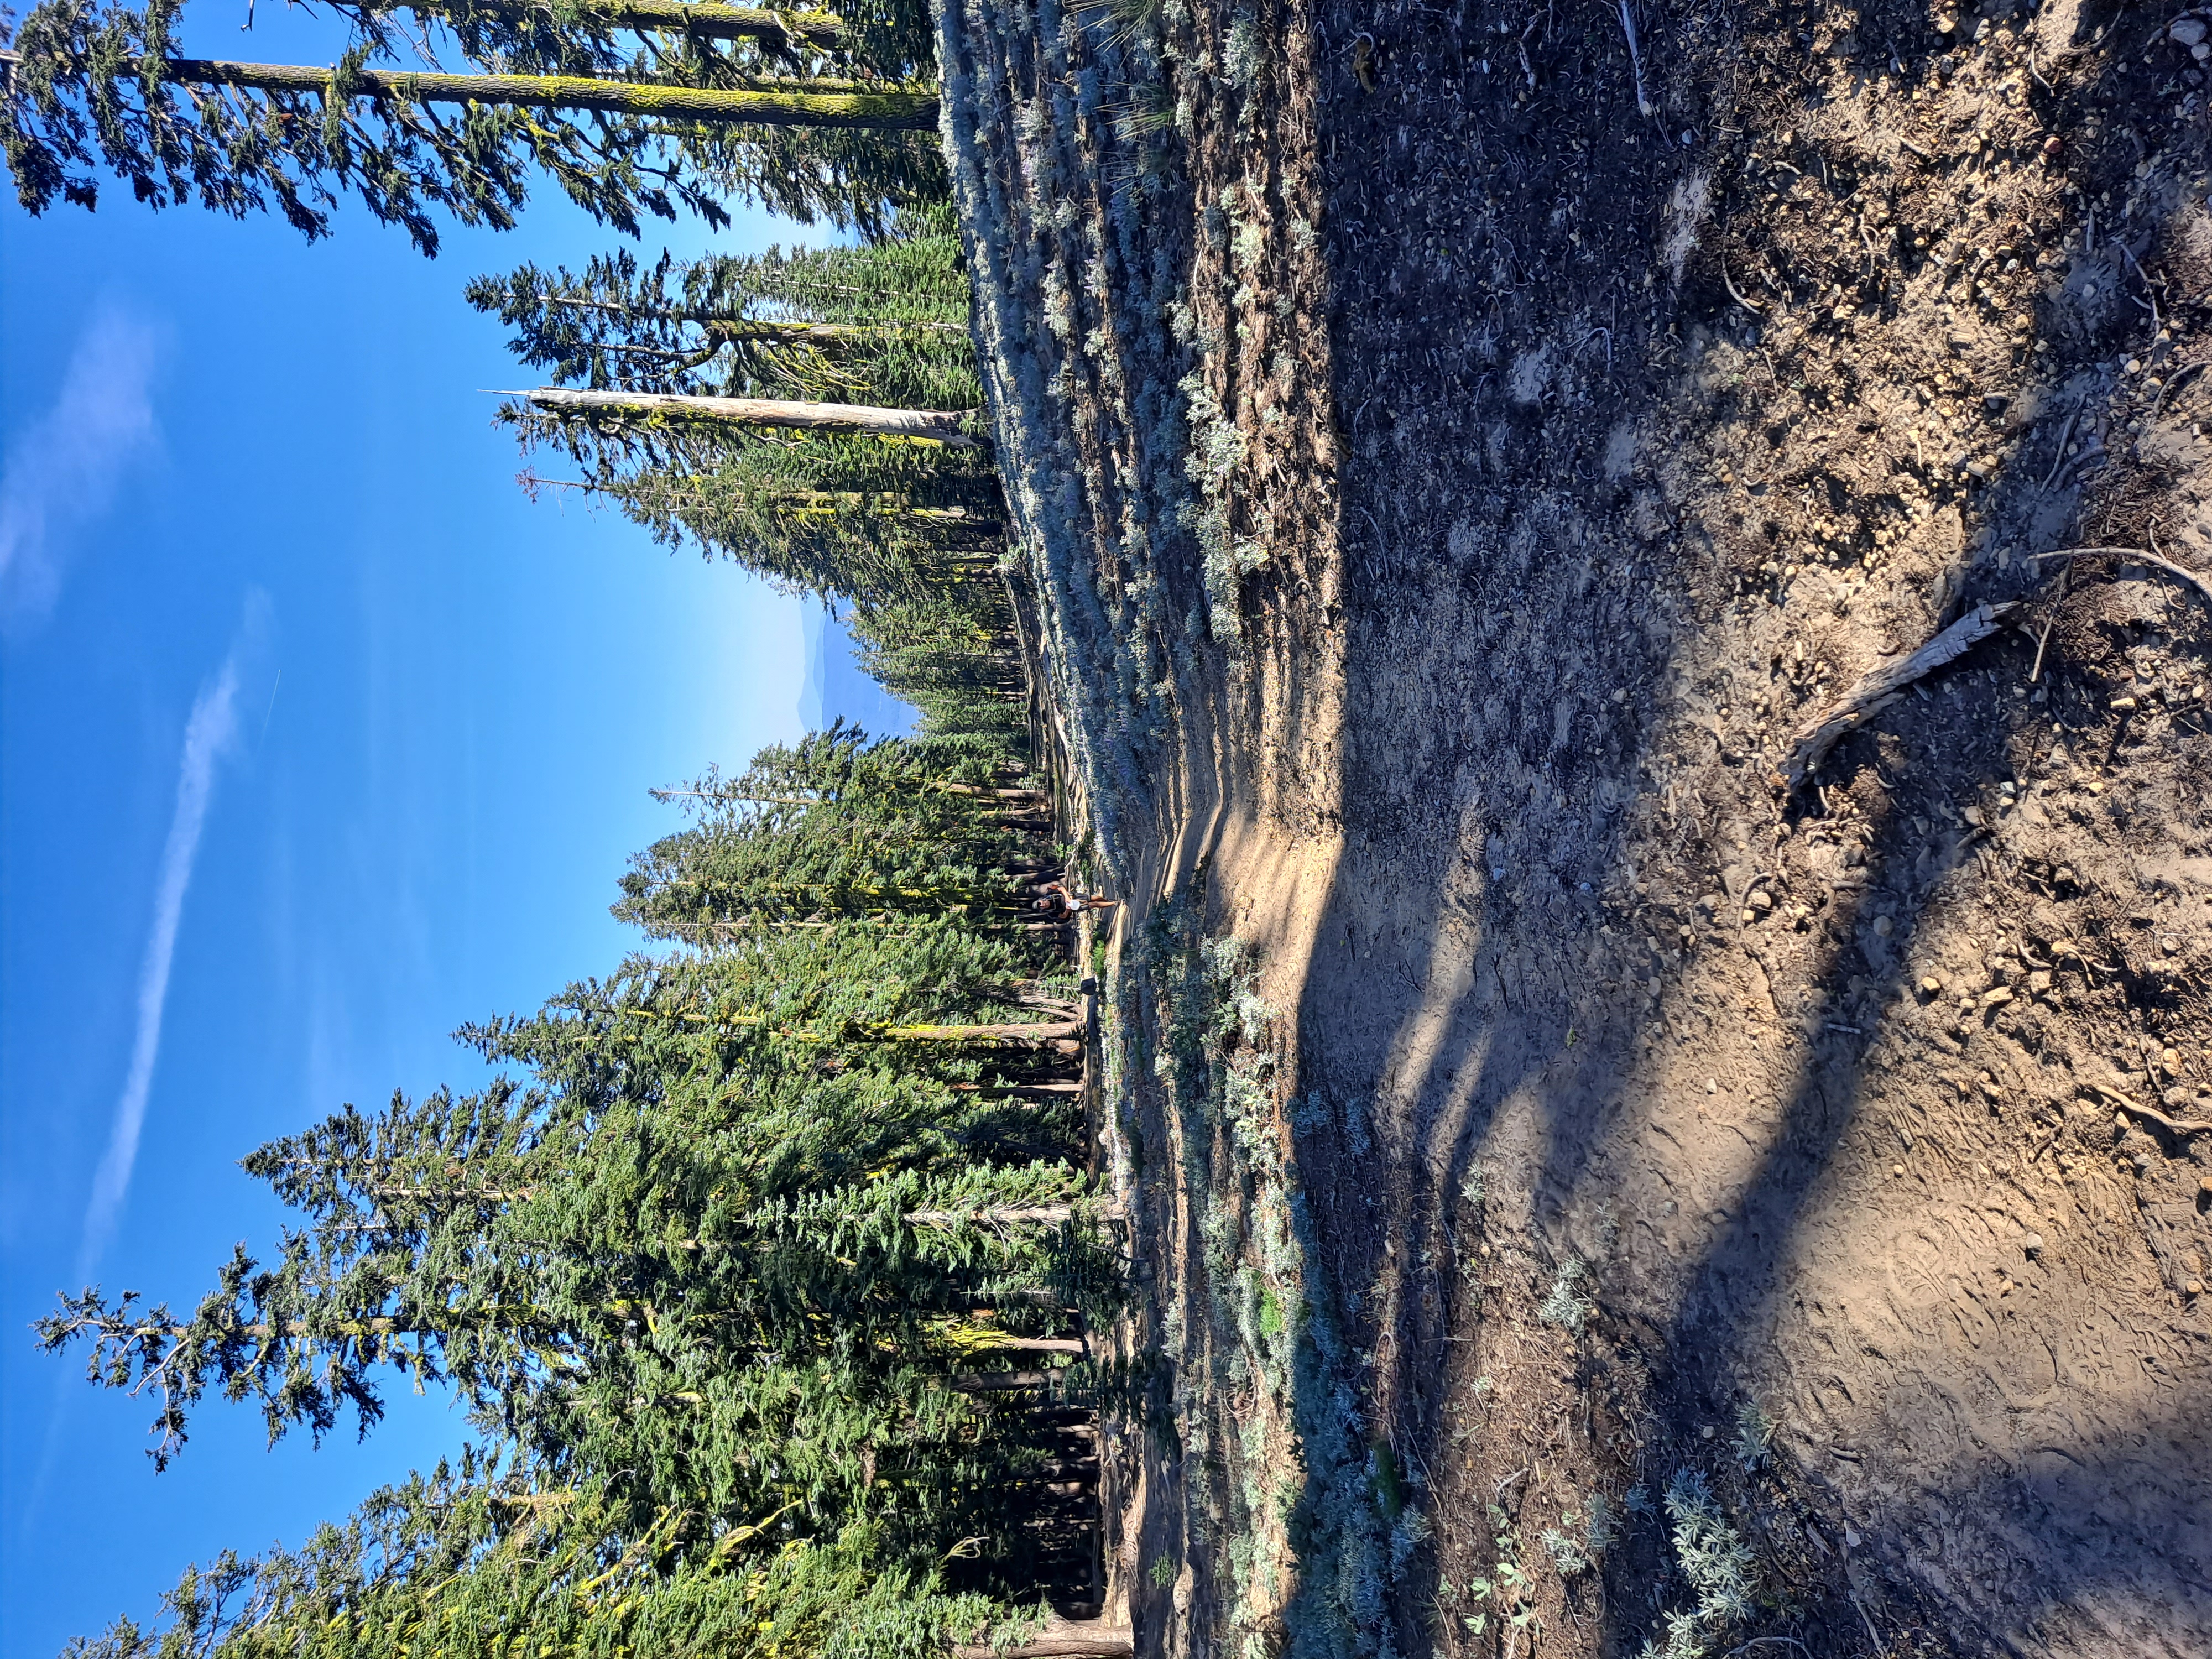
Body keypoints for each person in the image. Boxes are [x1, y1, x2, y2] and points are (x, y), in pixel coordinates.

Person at [1030, 879, 1117, 921]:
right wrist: (1067, 910)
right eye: (1040, 907)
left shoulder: (1049, 894)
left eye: (1040, 903)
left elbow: (1061, 888)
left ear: (1041, 900)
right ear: (1042, 909)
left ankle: (1107, 900)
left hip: (1073, 897)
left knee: (1094, 898)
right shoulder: (1051, 913)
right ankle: (1113, 903)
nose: (1042, 905)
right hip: (1073, 906)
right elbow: (1063, 916)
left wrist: (1067, 897)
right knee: (1093, 905)